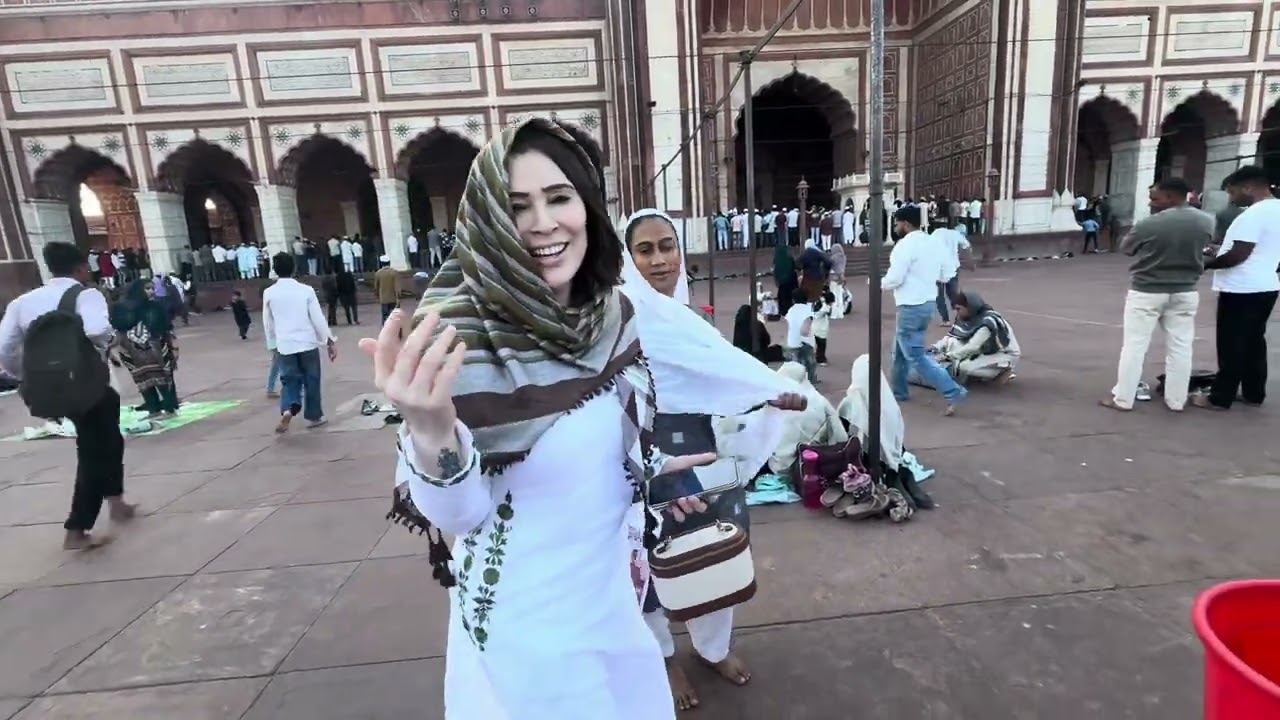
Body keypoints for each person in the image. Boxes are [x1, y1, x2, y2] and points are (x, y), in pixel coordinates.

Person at [368, 119, 799, 718]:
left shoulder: (613, 315)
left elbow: (607, 432)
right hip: (530, 631)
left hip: (612, 602)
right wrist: (431, 429)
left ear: (587, 206)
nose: (545, 223)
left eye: (560, 197)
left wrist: (651, 473)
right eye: (517, 206)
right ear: (488, 221)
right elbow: (460, 515)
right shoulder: (455, 341)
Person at [620, 207, 801, 712]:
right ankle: (662, 656)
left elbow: (725, 383)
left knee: (713, 551)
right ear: (628, 259)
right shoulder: (616, 318)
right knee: (647, 564)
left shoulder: (688, 319)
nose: (660, 260)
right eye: (646, 250)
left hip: (700, 456)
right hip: (639, 460)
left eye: (667, 246)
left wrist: (768, 395)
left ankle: (712, 646)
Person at [0, 242, 135, 550]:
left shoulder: (22, 302)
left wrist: (28, 376)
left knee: (109, 439)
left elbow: (4, 349)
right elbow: (98, 329)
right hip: (88, 385)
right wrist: (113, 340)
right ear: (80, 268)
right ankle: (77, 528)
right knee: (92, 450)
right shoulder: (85, 294)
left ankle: (117, 502)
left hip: (52, 386)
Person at [1102, 178, 1209, 412]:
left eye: (1154, 198)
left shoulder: (1149, 224)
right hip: (1185, 290)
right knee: (1181, 347)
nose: (1151, 203)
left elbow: (1127, 249)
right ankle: (1176, 400)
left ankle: (1124, 398)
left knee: (1134, 346)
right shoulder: (1206, 220)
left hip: (1147, 290)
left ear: (1170, 197)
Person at [1196, 165, 1280, 410]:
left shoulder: (1253, 214)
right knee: (1254, 341)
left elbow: (1239, 254)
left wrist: (1208, 264)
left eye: (1232, 192)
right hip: (1266, 285)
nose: (1231, 199)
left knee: (1232, 343)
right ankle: (1254, 393)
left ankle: (1220, 397)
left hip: (1241, 288)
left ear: (1248, 187)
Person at [881, 205, 967, 415]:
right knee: (900, 352)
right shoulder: (934, 243)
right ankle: (899, 392)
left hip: (910, 306)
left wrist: (878, 283)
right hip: (928, 303)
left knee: (915, 356)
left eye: (897, 223)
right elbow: (947, 274)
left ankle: (953, 391)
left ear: (906, 224)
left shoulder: (904, 246)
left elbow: (895, 278)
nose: (895, 226)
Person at [263, 253, 336, 432]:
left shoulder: (269, 293)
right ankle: (314, 416)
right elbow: (317, 318)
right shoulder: (306, 290)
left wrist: (273, 341)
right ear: (294, 268)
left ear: (275, 269)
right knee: (312, 379)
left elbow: (268, 321)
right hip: (307, 342)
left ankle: (288, 408)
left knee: (289, 380)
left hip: (285, 343)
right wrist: (329, 340)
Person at [917, 291, 1021, 386]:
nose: (957, 312)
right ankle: (980, 372)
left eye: (959, 309)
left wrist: (946, 356)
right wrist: (935, 347)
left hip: (1004, 354)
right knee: (952, 343)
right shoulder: (965, 318)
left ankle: (1002, 371)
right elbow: (951, 337)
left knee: (962, 366)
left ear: (970, 306)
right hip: (986, 349)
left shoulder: (988, 321)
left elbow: (972, 347)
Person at [111, 279, 180, 417]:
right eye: (147, 288)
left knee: (164, 377)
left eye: (152, 288)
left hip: (156, 349)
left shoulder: (155, 306)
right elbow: (118, 327)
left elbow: (165, 327)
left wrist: (172, 346)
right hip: (133, 351)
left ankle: (169, 407)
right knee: (143, 381)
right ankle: (153, 408)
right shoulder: (122, 308)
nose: (151, 291)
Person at [768, 361, 848, 475]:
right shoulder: (819, 401)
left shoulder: (776, 402)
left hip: (780, 466)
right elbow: (840, 436)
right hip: (814, 462)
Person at [932, 224, 970, 326]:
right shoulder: (957, 235)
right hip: (952, 267)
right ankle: (961, 314)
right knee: (953, 293)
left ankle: (946, 320)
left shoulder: (937, 233)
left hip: (937, 267)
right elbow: (966, 246)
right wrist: (969, 261)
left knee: (939, 295)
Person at [783, 287, 817, 383]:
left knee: (794, 366)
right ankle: (810, 384)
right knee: (810, 365)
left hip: (792, 342)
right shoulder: (808, 310)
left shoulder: (791, 310)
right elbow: (805, 330)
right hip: (805, 343)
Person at [773, 242, 798, 316]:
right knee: (789, 296)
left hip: (782, 283)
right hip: (790, 281)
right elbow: (794, 267)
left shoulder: (777, 259)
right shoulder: (789, 258)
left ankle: (782, 311)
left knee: (782, 295)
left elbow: (776, 271)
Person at [374, 255, 401, 323]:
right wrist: (398, 297)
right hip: (393, 297)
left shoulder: (378, 273)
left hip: (383, 298)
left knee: (385, 316)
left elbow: (376, 287)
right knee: (395, 316)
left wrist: (377, 296)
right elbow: (397, 286)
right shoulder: (394, 272)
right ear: (389, 262)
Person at [812, 290, 833, 366]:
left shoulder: (819, 303)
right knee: (822, 345)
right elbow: (829, 313)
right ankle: (820, 359)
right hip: (821, 329)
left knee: (818, 344)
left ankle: (818, 356)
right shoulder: (826, 307)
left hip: (815, 327)